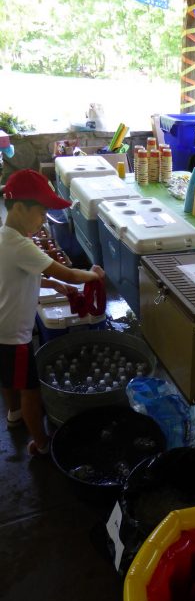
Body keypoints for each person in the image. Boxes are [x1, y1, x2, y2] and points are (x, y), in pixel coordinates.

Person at [0, 168, 105, 456]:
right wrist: (93, 275)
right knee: (31, 391)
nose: (44, 218)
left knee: (9, 377)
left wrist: (52, 284)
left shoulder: (5, 236)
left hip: (2, 331)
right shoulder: (21, 245)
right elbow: (72, 274)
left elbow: (21, 274)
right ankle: (42, 444)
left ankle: (13, 415)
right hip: (13, 336)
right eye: (42, 211)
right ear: (20, 208)